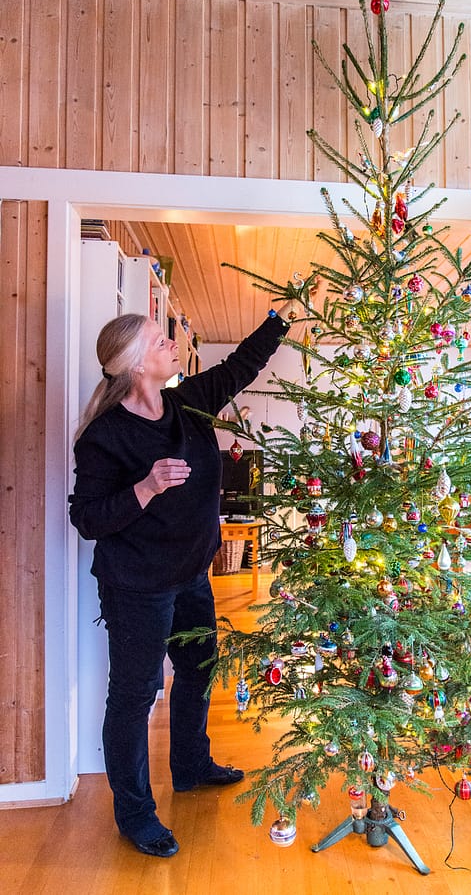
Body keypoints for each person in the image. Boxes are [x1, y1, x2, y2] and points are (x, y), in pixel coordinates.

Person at [69, 301, 296, 858]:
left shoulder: (186, 402)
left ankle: (191, 765)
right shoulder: (104, 437)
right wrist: (145, 488)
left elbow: (239, 368)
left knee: (197, 670)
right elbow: (87, 518)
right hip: (137, 585)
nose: (171, 343)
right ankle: (136, 815)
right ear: (135, 363)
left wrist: (278, 321)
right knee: (135, 695)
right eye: (159, 339)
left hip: (192, 573)